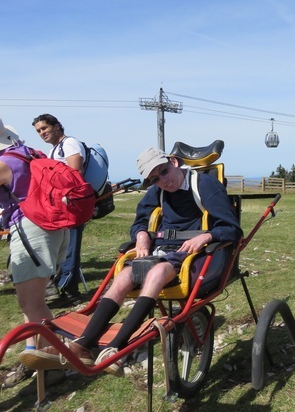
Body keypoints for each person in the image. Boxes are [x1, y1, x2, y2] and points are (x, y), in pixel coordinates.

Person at [20, 147, 243, 377]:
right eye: (155, 179)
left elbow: (231, 229)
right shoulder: (158, 190)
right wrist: (141, 234)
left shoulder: (205, 185)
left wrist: (207, 236)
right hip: (162, 248)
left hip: (192, 253)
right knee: (124, 276)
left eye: (164, 172)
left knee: (156, 274)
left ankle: (117, 347)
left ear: (174, 163)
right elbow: (141, 218)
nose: (163, 181)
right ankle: (82, 345)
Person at [0, 119, 69, 391]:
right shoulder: (24, 154)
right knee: (32, 304)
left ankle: (52, 366)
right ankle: (34, 358)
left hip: (32, 230)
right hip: (48, 228)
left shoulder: (6, 164)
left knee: (33, 304)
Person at [32, 114, 86, 306]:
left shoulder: (69, 144)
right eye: (38, 131)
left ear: (56, 126)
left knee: (69, 249)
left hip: (70, 206)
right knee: (62, 249)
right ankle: (65, 289)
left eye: (44, 128)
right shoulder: (54, 149)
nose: (42, 133)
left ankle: (71, 293)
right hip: (60, 206)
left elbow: (76, 173)